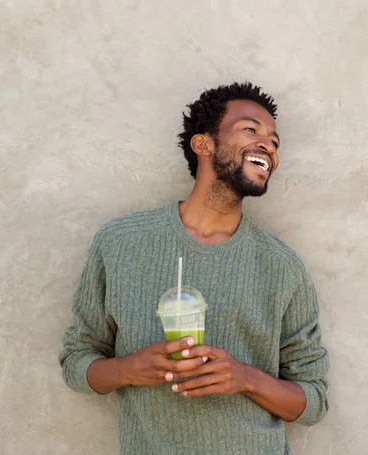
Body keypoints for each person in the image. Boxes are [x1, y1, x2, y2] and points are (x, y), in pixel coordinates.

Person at [59, 82, 329, 455]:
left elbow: (312, 400)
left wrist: (245, 378)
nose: (268, 144)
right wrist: (130, 369)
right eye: (251, 130)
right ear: (203, 145)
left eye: (274, 141)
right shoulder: (120, 243)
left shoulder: (283, 267)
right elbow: (77, 361)